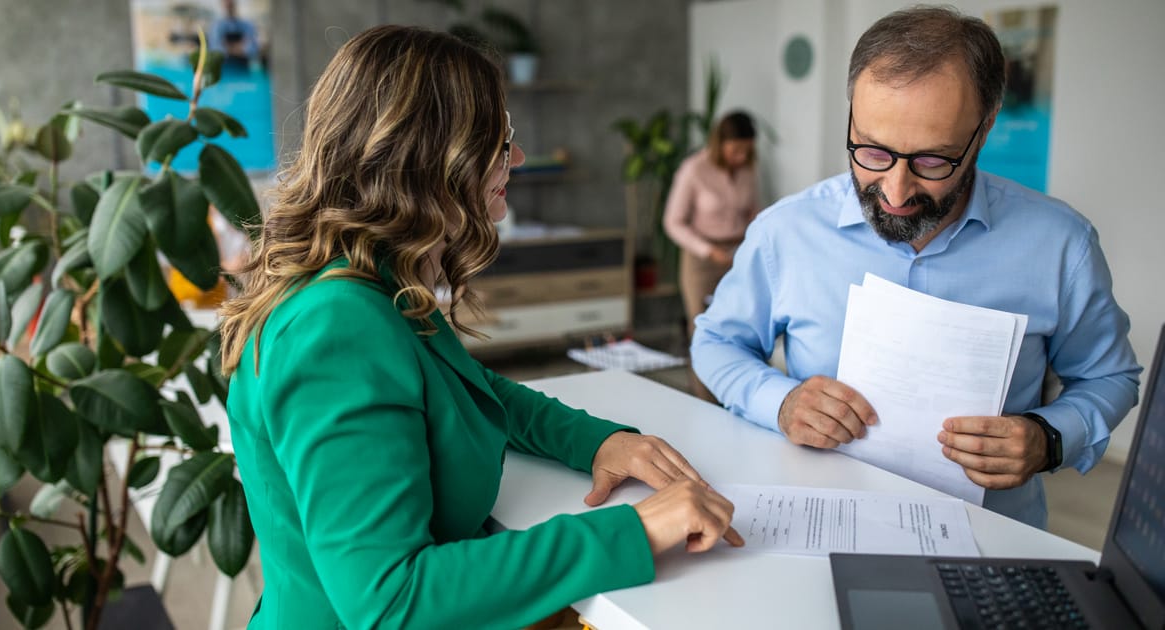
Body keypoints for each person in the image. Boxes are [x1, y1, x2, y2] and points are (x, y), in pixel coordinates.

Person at [218, 25, 742, 629]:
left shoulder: (370, 279)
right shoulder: (338, 328)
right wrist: (637, 530)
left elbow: (470, 391)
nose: (515, 159)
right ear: (429, 158)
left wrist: (598, 441)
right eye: (499, 141)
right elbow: (392, 600)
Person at [691, 6, 1140, 529]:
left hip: (991, 540)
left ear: (985, 128)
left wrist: (1049, 437)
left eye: (932, 160)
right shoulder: (785, 232)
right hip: (816, 527)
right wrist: (781, 402)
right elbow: (715, 342)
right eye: (872, 151)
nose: (896, 191)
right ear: (852, 116)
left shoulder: (1062, 245)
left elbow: (1110, 376)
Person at [663, 110, 759, 399]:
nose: (741, 157)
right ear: (720, 143)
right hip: (701, 260)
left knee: (742, 324)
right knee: (703, 329)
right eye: (736, 150)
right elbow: (672, 222)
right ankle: (704, 398)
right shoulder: (693, 169)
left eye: (747, 151)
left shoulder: (749, 170)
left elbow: (755, 212)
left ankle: (737, 396)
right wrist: (708, 251)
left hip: (737, 255)